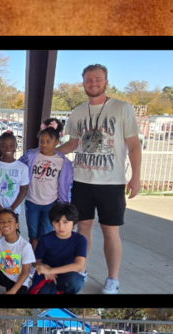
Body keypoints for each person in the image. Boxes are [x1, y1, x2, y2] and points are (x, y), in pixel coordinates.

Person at [56, 64, 142, 294]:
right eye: (88, 80)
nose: (93, 83)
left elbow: (134, 145)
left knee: (110, 231)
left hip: (111, 183)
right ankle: (81, 270)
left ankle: (112, 278)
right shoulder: (77, 112)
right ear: (83, 83)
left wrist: (136, 177)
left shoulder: (122, 109)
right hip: (82, 181)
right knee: (82, 228)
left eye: (98, 79)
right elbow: (74, 143)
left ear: (106, 82)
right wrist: (47, 153)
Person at [20, 123, 74, 249]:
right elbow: (18, 168)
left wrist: (65, 204)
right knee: (32, 234)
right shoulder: (31, 156)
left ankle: (41, 261)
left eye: (48, 141)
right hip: (32, 202)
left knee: (45, 234)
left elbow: (67, 185)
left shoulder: (63, 162)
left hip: (51, 204)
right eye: (41, 141)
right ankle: (33, 263)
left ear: (57, 142)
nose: (44, 144)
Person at [28, 202, 87, 295]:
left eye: (65, 222)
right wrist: (44, 267)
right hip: (47, 276)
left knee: (75, 281)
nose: (61, 226)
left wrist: (51, 270)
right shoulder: (45, 239)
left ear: (74, 224)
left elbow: (79, 265)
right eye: (56, 222)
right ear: (51, 223)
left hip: (67, 273)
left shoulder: (80, 240)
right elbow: (36, 260)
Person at [0, 131, 29, 242]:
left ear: (16, 147)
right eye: (4, 145)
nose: (8, 148)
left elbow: (23, 190)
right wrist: (0, 208)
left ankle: (9, 258)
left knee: (11, 238)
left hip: (13, 211)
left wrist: (12, 209)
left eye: (11, 145)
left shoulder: (22, 168)